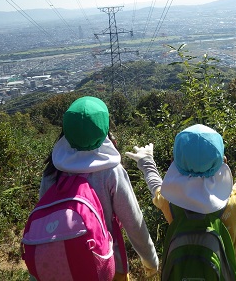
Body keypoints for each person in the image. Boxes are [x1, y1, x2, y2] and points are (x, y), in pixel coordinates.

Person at [125, 123, 236, 276]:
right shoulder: (231, 203)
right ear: (224, 160)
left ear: (173, 162)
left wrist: (146, 161)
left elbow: (155, 184)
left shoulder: (169, 202)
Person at [38, 96, 159, 280]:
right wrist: (150, 260)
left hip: (61, 267)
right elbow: (133, 221)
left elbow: (43, 215)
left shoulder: (53, 169)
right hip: (108, 265)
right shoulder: (111, 171)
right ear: (104, 128)